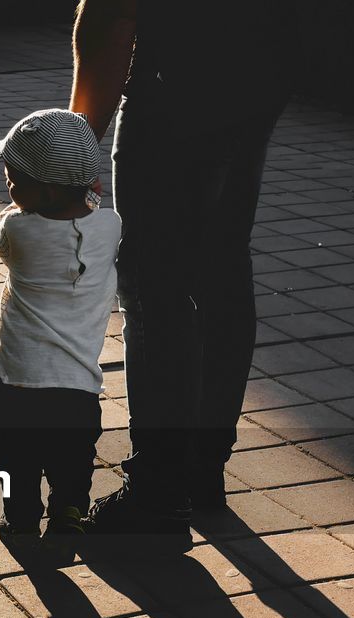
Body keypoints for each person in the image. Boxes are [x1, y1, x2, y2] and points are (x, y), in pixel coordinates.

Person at [70, 0, 297, 553]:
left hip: (176, 95)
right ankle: (200, 472)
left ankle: (158, 491)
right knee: (221, 268)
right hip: (258, 77)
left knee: (155, 286)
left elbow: (111, 17)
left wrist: (74, 149)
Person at [0, 108, 122, 564]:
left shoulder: (18, 230)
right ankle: (68, 515)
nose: (8, 185)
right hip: (78, 384)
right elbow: (90, 213)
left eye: (13, 178)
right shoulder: (112, 225)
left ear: (46, 190)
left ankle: (21, 521)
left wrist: (20, 207)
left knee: (15, 456)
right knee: (72, 458)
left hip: (18, 377)